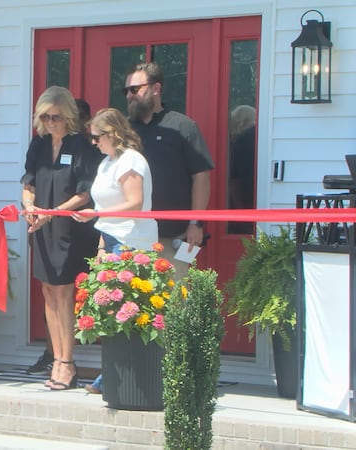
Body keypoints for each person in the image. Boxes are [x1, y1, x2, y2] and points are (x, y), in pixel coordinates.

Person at [73, 108, 159, 394]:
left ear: (113, 134)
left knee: (126, 309)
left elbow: (134, 203)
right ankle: (111, 374)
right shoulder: (108, 162)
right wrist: (100, 244)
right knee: (110, 309)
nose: (94, 142)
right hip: (111, 239)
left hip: (130, 241)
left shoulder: (131, 161)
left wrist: (94, 216)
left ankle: (124, 377)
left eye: (98, 137)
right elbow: (103, 210)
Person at [20, 86, 95, 391]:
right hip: (42, 226)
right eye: (45, 117)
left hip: (69, 227)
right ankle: (57, 358)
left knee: (64, 294)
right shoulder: (38, 145)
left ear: (68, 117)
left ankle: (67, 362)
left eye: (56, 117)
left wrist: (54, 212)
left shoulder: (82, 145)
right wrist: (29, 206)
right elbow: (29, 181)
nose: (50, 123)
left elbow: (86, 191)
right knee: (48, 292)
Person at [125, 62, 214, 279]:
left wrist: (196, 223)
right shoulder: (124, 130)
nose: (129, 95)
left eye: (135, 89)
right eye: (126, 90)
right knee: (132, 306)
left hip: (173, 235)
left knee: (174, 303)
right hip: (131, 236)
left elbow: (201, 176)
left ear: (156, 89)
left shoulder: (182, 126)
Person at [228, 105, 256, 234]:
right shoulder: (259, 136)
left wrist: (238, 209)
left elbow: (234, 178)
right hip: (256, 195)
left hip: (244, 195)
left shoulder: (241, 142)